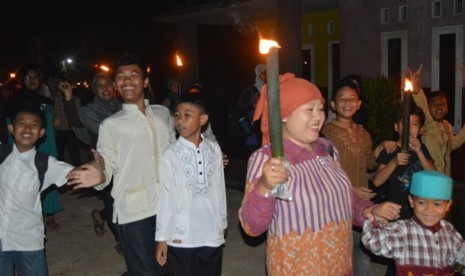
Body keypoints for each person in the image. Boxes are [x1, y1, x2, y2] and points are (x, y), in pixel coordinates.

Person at [239, 73, 401, 275]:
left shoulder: (328, 150)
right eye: (309, 109)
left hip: (340, 266)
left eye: (320, 108)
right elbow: (252, 226)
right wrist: (264, 187)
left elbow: (343, 197)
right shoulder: (267, 159)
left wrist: (368, 212)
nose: (319, 116)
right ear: (284, 114)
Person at [67, 53, 176, 275]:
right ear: (116, 84)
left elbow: (176, 151)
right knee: (144, 271)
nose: (127, 81)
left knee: (168, 269)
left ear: (145, 81)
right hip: (134, 212)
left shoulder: (163, 114)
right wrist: (100, 173)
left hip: (168, 207)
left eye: (133, 75)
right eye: (121, 77)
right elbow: (107, 160)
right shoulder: (111, 125)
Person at [0, 104, 104, 276]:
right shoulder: (2, 154)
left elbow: (75, 173)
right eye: (21, 123)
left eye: (34, 125)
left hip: (29, 243)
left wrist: (97, 167)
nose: (27, 128)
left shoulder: (45, 163)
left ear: (41, 133)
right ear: (11, 128)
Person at [322, 77, 395, 276]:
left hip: (362, 205)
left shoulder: (364, 133)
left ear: (359, 103)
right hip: (335, 203)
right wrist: (351, 189)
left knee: (362, 253)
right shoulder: (325, 132)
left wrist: (381, 148)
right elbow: (323, 170)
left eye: (352, 99)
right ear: (333, 104)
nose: (347, 103)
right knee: (338, 253)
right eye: (342, 99)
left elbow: (369, 165)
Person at [155, 93, 227, 275]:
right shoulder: (171, 154)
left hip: (211, 234)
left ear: (203, 119)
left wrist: (223, 221)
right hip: (182, 236)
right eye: (177, 115)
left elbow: (219, 189)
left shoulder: (213, 148)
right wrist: (162, 238)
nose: (180, 121)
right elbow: (166, 197)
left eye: (187, 115)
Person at [59, 73, 122, 254]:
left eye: (108, 84)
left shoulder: (124, 107)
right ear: (95, 90)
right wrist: (69, 96)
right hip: (104, 164)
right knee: (112, 204)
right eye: (100, 86)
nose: (105, 88)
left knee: (125, 202)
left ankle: (99, 215)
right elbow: (75, 119)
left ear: (114, 86)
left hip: (127, 161)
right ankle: (121, 240)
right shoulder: (90, 111)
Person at [362, 170, 465, 275]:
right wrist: (375, 215)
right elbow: (373, 243)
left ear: (448, 205)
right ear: (411, 201)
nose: (429, 210)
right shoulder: (401, 231)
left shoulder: (448, 229)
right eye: (421, 202)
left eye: (437, 204)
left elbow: (460, 256)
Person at [5, 64, 63, 232]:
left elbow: (52, 126)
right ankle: (28, 217)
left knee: (48, 177)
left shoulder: (46, 101)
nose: (32, 80)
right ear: (23, 80)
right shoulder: (14, 102)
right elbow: (10, 128)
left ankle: (50, 215)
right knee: (26, 182)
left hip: (46, 145)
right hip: (24, 148)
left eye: (35, 77)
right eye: (28, 77)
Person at [372, 107, 435, 220]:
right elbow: (377, 181)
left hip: (419, 212)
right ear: (396, 127)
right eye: (404, 123)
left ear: (421, 130)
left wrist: (419, 151)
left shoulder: (422, 149)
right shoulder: (391, 149)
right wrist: (394, 162)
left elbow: (434, 176)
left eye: (414, 124)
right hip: (394, 212)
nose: (409, 128)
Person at [409, 65, 465, 176]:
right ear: (429, 108)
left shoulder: (447, 126)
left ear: (447, 107)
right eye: (434, 104)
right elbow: (422, 103)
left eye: (442, 103)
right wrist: (416, 89)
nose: (439, 107)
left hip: (445, 176)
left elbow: (453, 144)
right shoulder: (428, 123)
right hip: (430, 176)